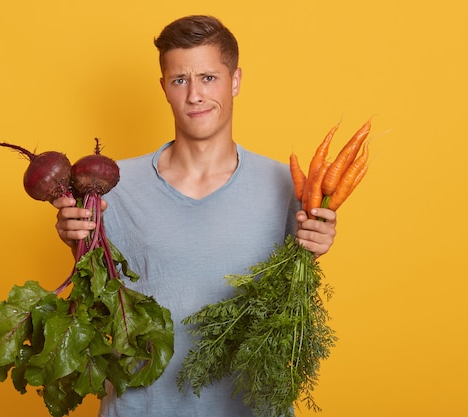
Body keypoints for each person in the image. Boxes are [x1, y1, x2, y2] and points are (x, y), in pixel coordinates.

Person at [53, 15, 337, 417]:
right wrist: (76, 241)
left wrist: (317, 244)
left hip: (250, 407)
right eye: (180, 80)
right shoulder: (112, 186)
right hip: (142, 407)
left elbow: (295, 293)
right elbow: (97, 292)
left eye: (208, 78)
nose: (195, 96)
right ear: (164, 88)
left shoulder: (285, 185)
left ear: (235, 80)